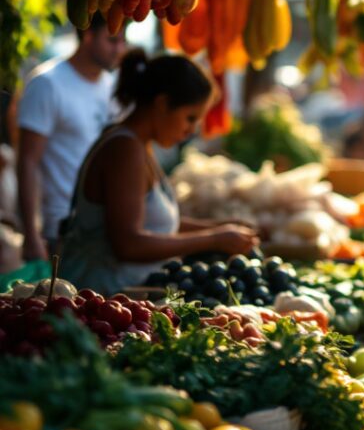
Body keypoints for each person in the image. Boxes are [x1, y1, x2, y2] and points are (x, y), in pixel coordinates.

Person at [60, 52, 258, 294]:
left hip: (127, 292)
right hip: (98, 297)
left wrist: (220, 227)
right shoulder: (124, 149)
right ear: (162, 104)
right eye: (190, 118)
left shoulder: (139, 144)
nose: (191, 130)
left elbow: (158, 226)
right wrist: (215, 238)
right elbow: (129, 244)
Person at [17, 17, 128, 260]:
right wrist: (31, 233)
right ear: (87, 35)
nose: (120, 49)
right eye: (112, 40)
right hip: (60, 230)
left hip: (100, 228)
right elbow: (27, 161)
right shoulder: (47, 84)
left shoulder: (111, 87)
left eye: (123, 41)